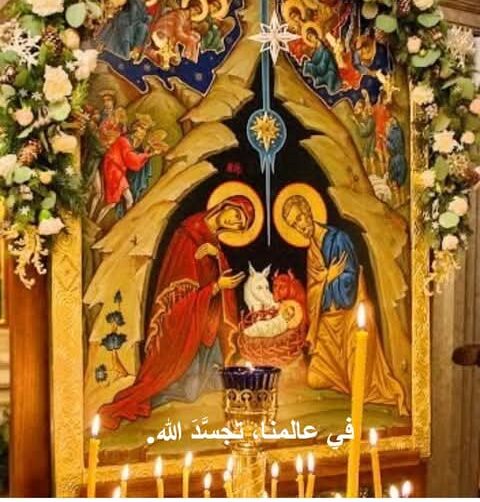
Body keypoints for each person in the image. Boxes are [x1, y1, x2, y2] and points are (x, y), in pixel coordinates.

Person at [98, 195, 255, 429]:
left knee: (205, 382)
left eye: (239, 225)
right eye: (237, 216)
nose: (234, 223)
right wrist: (215, 287)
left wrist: (217, 258)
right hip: (181, 318)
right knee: (188, 391)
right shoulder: (190, 233)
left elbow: (216, 275)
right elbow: (180, 292)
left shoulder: (212, 239)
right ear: (227, 205)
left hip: (203, 316)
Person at [281, 194, 407, 415]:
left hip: (349, 318)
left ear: (308, 211)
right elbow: (313, 294)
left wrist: (328, 282)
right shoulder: (311, 251)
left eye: (300, 218)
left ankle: (354, 379)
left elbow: (349, 285)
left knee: (361, 387)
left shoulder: (338, 239)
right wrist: (328, 278)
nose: (300, 226)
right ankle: (346, 378)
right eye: (294, 224)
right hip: (328, 325)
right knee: (314, 379)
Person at [97, 114, 155, 222]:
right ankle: (100, 221)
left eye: (145, 130)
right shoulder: (124, 140)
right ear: (136, 128)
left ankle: (120, 223)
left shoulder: (130, 142)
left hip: (117, 170)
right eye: (142, 128)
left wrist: (146, 152)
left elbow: (134, 159)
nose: (143, 133)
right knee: (118, 202)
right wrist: (149, 154)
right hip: (114, 170)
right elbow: (132, 161)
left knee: (125, 201)